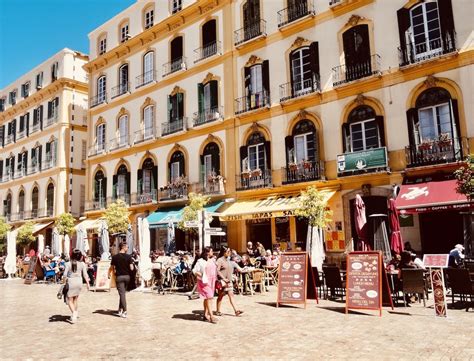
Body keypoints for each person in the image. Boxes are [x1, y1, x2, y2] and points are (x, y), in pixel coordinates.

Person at [62, 249, 90, 323]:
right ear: (80, 256)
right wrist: (88, 283)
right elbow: (85, 275)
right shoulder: (82, 264)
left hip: (71, 281)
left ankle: (74, 313)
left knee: (69, 299)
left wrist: (63, 282)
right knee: (75, 299)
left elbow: (64, 275)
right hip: (79, 282)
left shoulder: (67, 263)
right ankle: (75, 313)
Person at [215, 246, 243, 317]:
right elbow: (217, 270)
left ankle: (236, 311)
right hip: (222, 282)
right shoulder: (220, 260)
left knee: (231, 296)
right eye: (228, 252)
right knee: (220, 296)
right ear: (224, 252)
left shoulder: (229, 260)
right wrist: (223, 278)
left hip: (229, 281)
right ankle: (218, 311)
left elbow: (236, 268)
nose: (229, 253)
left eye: (229, 251)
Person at [192, 247, 217, 323]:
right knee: (209, 297)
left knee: (207, 298)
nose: (213, 252)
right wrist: (200, 274)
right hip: (205, 281)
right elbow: (194, 270)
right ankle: (211, 316)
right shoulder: (201, 261)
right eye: (212, 251)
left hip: (212, 281)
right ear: (207, 252)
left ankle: (205, 315)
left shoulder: (212, 260)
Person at [111, 241, 134, 318]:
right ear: (123, 247)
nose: (128, 248)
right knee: (123, 294)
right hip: (127, 277)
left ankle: (124, 311)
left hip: (119, 277)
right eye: (127, 247)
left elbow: (112, 268)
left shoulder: (115, 257)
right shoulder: (129, 257)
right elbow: (131, 268)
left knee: (122, 294)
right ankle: (120, 310)